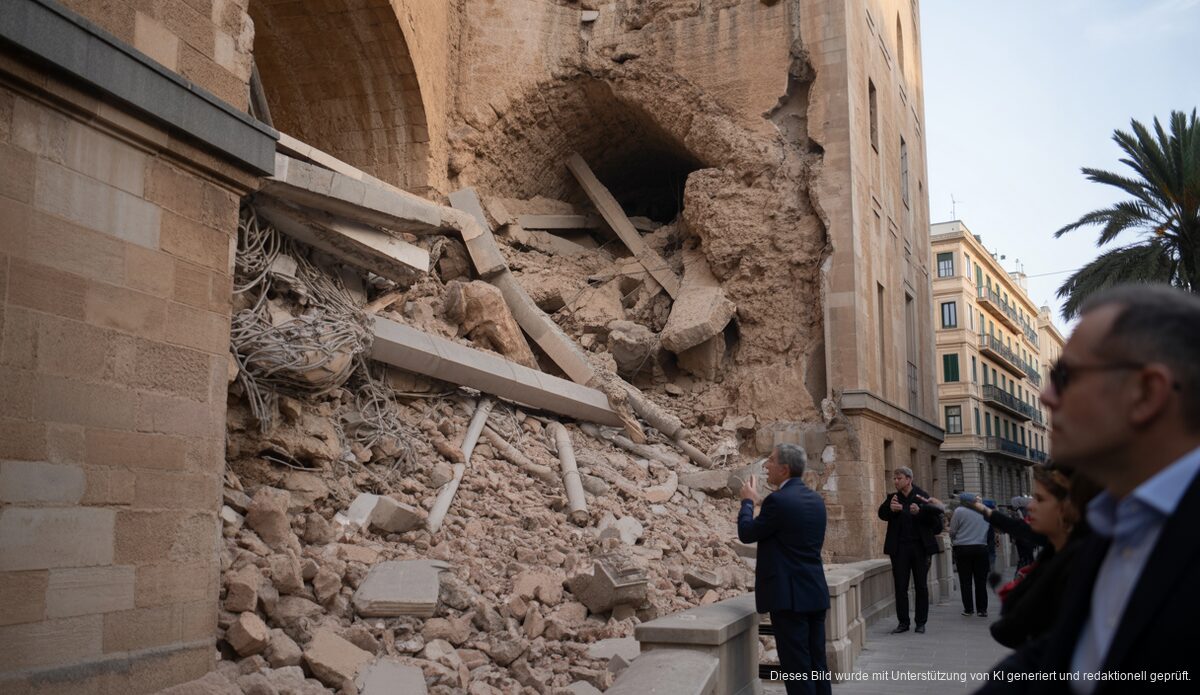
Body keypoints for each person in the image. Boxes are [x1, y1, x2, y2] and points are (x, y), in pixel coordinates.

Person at [978, 284, 1200, 694]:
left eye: (1065, 376)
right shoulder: (1110, 524)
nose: (1045, 396)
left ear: (1147, 392)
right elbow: (1072, 657)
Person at [962, 467, 1100, 648]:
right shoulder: (1055, 550)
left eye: (1040, 499)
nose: (1030, 506)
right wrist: (985, 511)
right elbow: (1020, 529)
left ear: (1067, 507)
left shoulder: (1080, 566)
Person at [738, 444, 831, 695]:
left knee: (797, 670)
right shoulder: (816, 500)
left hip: (789, 599)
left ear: (785, 468)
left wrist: (747, 503)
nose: (766, 465)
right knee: (817, 665)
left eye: (770, 461)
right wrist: (762, 502)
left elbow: (747, 533)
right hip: (815, 592)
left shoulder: (778, 501)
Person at [877, 466, 943, 634]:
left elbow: (937, 526)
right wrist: (891, 510)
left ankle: (921, 622)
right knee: (900, 587)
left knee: (921, 586)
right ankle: (903, 623)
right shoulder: (893, 498)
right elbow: (881, 514)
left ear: (909, 479)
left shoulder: (922, 497)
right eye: (894, 478)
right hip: (899, 550)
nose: (895, 481)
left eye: (899, 478)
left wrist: (920, 512)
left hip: (920, 548)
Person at [950, 492, 990, 617]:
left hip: (963, 548)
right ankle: (982, 609)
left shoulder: (959, 511)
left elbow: (953, 530)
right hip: (981, 547)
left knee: (965, 581)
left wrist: (956, 537)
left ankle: (968, 609)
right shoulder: (984, 510)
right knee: (981, 581)